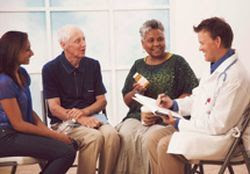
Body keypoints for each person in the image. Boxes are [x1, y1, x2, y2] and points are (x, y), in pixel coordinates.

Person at [145, 17, 250, 174]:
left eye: (202, 43)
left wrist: (179, 123)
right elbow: (198, 99)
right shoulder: (213, 67)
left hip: (220, 139)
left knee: (166, 145)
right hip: (200, 128)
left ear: (217, 41)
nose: (199, 48)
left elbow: (217, 126)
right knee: (151, 139)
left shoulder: (235, 77)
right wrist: (173, 104)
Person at [114, 19, 198, 174]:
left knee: (149, 138)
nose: (156, 44)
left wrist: (169, 106)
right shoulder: (138, 65)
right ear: (142, 44)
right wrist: (136, 93)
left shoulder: (177, 62)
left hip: (167, 117)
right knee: (124, 135)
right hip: (139, 115)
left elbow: (191, 92)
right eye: (150, 40)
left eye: (160, 39)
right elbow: (127, 99)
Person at [42, 25, 120, 174]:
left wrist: (84, 112)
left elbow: (102, 101)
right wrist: (81, 119)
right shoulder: (50, 69)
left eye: (84, 39)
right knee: (94, 137)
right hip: (64, 123)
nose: (83, 44)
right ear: (63, 45)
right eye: (77, 41)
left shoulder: (93, 65)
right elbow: (54, 108)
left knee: (112, 136)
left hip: (94, 117)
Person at [0, 31, 77, 174]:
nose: (32, 53)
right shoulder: (4, 82)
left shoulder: (22, 73)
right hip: (5, 137)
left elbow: (29, 111)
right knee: (66, 152)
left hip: (17, 133)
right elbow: (18, 124)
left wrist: (46, 130)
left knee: (70, 146)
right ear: (13, 52)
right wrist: (55, 135)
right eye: (27, 50)